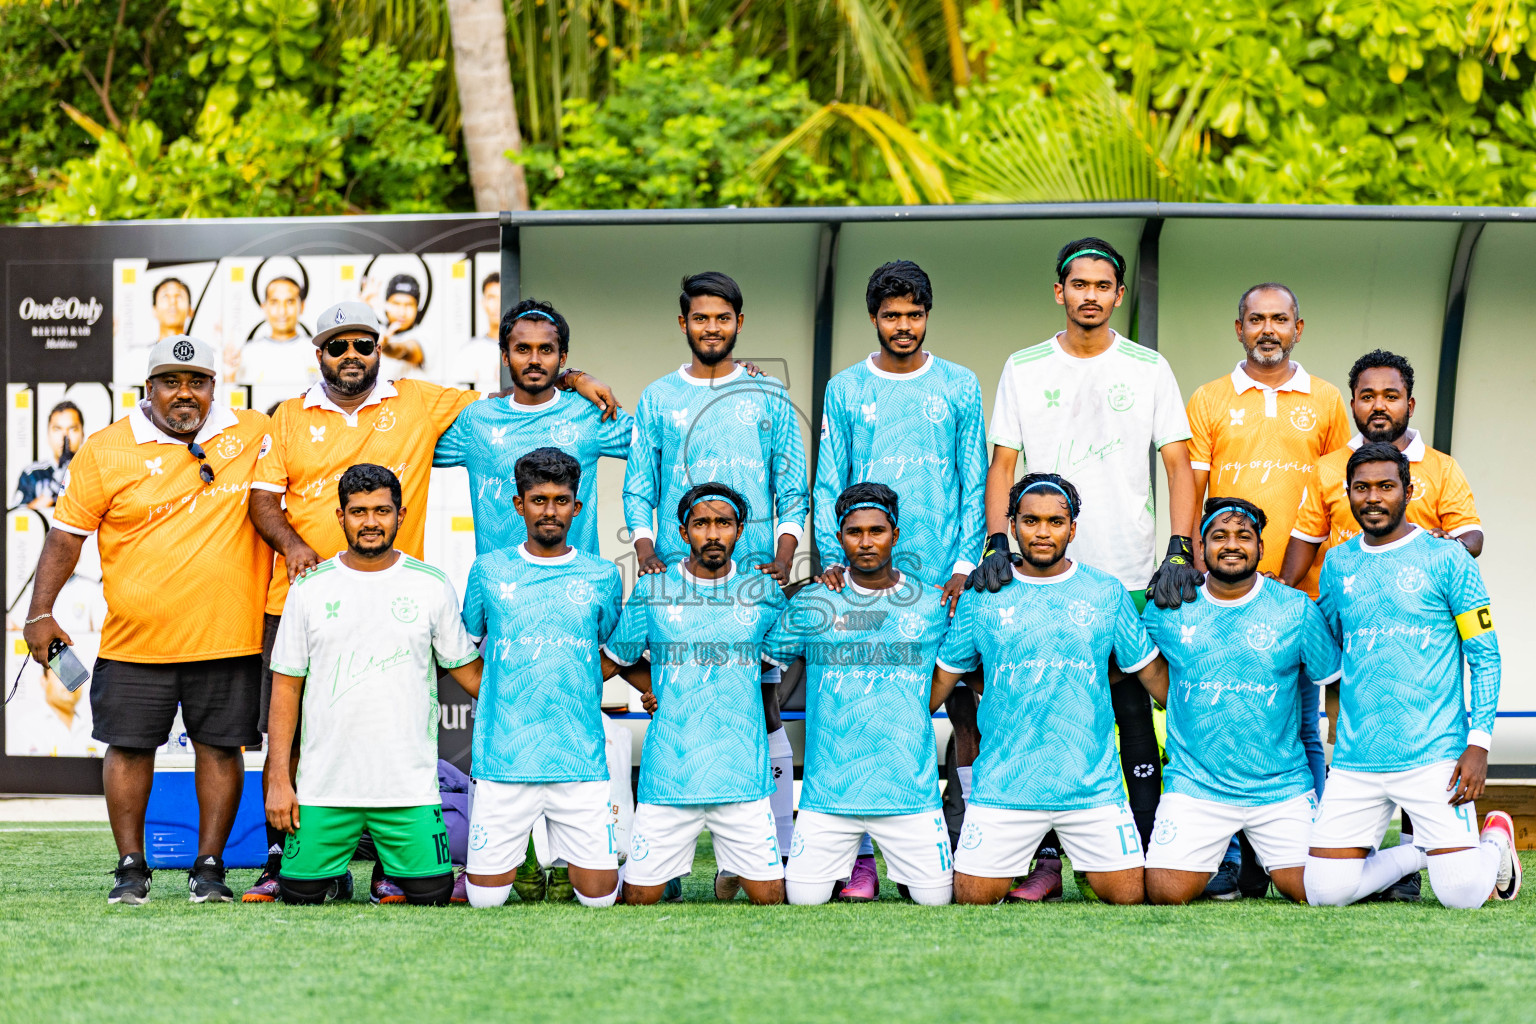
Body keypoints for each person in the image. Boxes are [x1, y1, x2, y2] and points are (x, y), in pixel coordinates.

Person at [242, 300, 619, 902]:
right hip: (306, 591)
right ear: (319, 354)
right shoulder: (287, 416)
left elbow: (531, 396)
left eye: (362, 345)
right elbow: (261, 500)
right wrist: (294, 548)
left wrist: (575, 379)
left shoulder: (421, 403)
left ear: (378, 349)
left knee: (411, 719)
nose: (350, 356)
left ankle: (426, 860)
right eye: (337, 346)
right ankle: (280, 855)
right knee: (295, 720)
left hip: (411, 591)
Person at [973, 237, 1199, 897]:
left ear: (1118, 295)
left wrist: (1178, 549)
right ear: (1059, 291)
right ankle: (1040, 861)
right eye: (1079, 284)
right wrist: (995, 544)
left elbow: (1180, 464)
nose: (1091, 295)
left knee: (1132, 717)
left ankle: (1142, 843)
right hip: (1035, 575)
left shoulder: (1149, 367)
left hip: (1126, 577)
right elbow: (1003, 466)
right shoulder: (1023, 366)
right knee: (1033, 712)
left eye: (1103, 285)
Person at [21, 334, 273, 904]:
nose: (185, 394)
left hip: (227, 638)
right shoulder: (106, 448)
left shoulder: (252, 432)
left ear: (214, 386)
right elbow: (66, 537)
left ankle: (210, 870)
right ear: (148, 389)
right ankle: (130, 867)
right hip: (135, 643)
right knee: (128, 749)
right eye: (171, 383)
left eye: (197, 383)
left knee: (221, 748)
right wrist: (40, 612)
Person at [1279, 348, 1483, 900]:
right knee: (1324, 886)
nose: (1378, 404)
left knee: (1461, 891)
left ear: (1410, 403)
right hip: (1354, 657)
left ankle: (1459, 851)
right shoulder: (1328, 475)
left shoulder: (1439, 469)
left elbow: (1472, 538)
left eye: (1390, 395)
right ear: (1352, 404)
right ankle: (1405, 856)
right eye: (1367, 395)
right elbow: (1302, 553)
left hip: (1425, 660)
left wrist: (1430, 558)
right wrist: (1262, 600)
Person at [812, 261, 986, 897]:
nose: (904, 326)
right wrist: (832, 554)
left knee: (962, 711)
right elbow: (831, 479)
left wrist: (966, 565)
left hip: (943, 578)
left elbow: (972, 480)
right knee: (859, 707)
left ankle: (968, 843)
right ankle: (857, 856)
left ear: (928, 316)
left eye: (914, 314)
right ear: (874, 318)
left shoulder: (961, 385)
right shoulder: (847, 388)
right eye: (892, 315)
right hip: (863, 579)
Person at [623, 271, 809, 859]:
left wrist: (783, 554)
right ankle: (667, 848)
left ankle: (763, 847)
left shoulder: (768, 395)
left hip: (751, 574)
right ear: (684, 323)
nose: (711, 328)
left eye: (722, 318)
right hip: (678, 577)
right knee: (681, 696)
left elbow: (792, 485)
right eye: (700, 318)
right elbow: (637, 485)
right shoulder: (657, 397)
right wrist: (646, 546)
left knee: (761, 699)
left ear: (739, 323)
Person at [1181, 282, 1349, 899]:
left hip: (1298, 593)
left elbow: (1340, 491)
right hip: (1222, 589)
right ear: (1239, 327)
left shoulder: (1328, 400)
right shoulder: (1209, 399)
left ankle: (1318, 845)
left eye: (1280, 319)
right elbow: (1192, 494)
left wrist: (1319, 579)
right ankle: (1227, 857)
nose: (1268, 329)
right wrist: (1190, 560)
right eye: (1257, 319)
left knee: (1303, 726)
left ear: (1298, 327)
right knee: (1215, 717)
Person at [932, 473, 1166, 906]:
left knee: (1131, 898)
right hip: (1005, 788)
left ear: (1073, 528)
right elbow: (944, 680)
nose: (1042, 532)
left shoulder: (1106, 592)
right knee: (970, 901)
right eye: (1031, 521)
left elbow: (1151, 678)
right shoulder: (983, 595)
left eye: (1055, 522)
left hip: (1091, 789)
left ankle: (1076, 865)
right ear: (1012, 526)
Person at [1303, 442, 1519, 909]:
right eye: (1362, 488)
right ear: (1348, 493)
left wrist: (1478, 745)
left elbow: (1485, 655)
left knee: (1461, 895)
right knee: (1323, 891)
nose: (1373, 497)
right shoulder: (1338, 564)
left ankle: (1495, 839)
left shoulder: (1448, 559)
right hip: (1358, 758)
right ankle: (1418, 852)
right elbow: (1325, 644)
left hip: (1433, 755)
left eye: (1386, 486)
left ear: (1409, 490)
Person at [264, 464, 482, 907]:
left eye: (381, 511)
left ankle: (387, 866)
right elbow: (286, 688)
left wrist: (537, 689)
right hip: (325, 788)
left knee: (432, 895)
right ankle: (337, 875)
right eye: (358, 511)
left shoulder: (431, 585)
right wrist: (279, 779)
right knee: (299, 895)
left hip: (408, 788)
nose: (370, 522)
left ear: (401, 516)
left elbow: (470, 673)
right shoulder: (309, 589)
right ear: (340, 516)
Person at [1139, 497, 1338, 905]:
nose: (1232, 545)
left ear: (1261, 548)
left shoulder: (1296, 609)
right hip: (1197, 785)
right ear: (1201, 547)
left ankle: (1410, 858)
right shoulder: (1169, 607)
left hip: (1279, 786)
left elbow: (1333, 682)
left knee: (1317, 892)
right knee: (1164, 893)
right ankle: (1239, 860)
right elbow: (1139, 661)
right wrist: (1179, 701)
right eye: (1219, 536)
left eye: (1244, 536)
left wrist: (1341, 758)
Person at [768, 483, 954, 906]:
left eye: (877, 531)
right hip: (829, 794)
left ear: (896, 535)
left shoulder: (931, 603)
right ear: (839, 539)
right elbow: (762, 661)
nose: (866, 542)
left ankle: (910, 874)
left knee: (936, 901)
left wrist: (918, 706)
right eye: (855, 532)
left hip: (910, 792)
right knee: (802, 900)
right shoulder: (816, 600)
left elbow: (960, 668)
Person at [604, 482, 788, 905]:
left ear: (739, 530)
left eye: (723, 523)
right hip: (670, 775)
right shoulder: (653, 589)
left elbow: (777, 654)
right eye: (701, 523)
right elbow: (618, 657)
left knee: (772, 903)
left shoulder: (763, 592)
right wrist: (662, 689)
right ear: (684, 533)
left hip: (742, 775)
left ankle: (733, 872)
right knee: (636, 903)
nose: (712, 533)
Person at [458, 448, 625, 909]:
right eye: (538, 499)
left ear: (578, 506)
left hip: (579, 758)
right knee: (484, 902)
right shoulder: (489, 571)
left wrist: (584, 681)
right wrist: (495, 694)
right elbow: (460, 650)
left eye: (560, 499)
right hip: (504, 760)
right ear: (518, 504)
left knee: (600, 901)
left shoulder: (603, 575)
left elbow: (614, 652)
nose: (549, 510)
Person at [435, 298, 633, 558]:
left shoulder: (587, 413)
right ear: (505, 356)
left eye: (546, 350)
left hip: (575, 586)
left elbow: (662, 444)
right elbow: (412, 448)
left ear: (562, 357)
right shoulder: (476, 420)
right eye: (523, 349)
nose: (535, 359)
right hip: (501, 588)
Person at [235, 276, 316, 386]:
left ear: (302, 306)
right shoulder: (248, 353)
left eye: (290, 302)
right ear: (264, 307)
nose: (282, 311)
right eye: (274, 302)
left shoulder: (315, 352)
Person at [14, 401, 84, 510]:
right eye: (57, 429)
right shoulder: (32, 474)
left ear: (82, 434)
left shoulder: (95, 473)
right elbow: (18, 518)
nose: (65, 436)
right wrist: (55, 486)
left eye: (72, 429)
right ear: (48, 434)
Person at [449, 271, 504, 393]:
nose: (497, 304)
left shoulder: (523, 349)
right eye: (491, 298)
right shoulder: (469, 352)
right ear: (483, 302)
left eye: (502, 298)